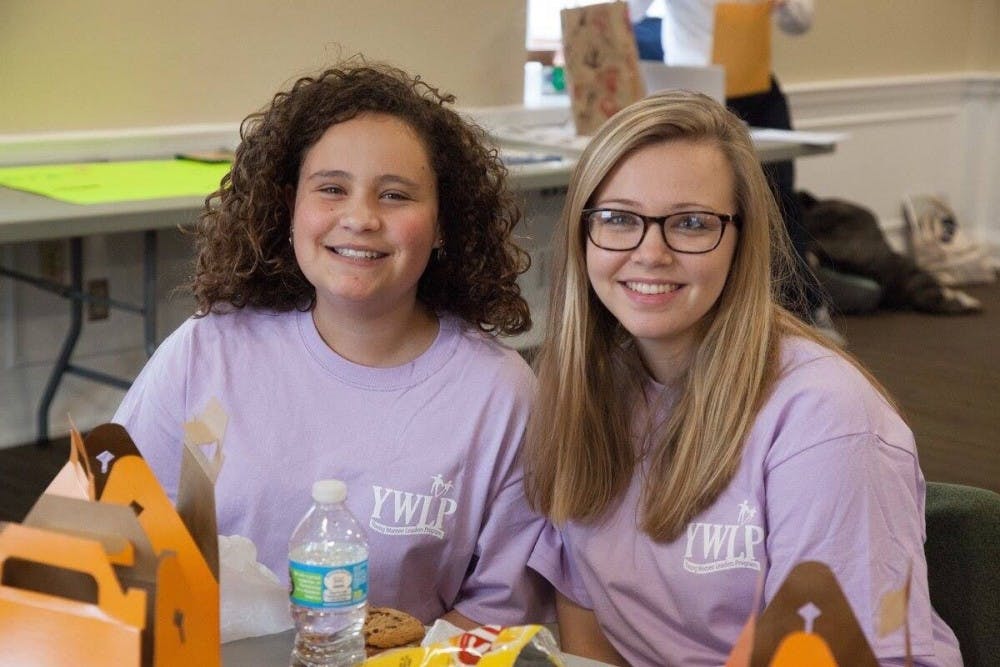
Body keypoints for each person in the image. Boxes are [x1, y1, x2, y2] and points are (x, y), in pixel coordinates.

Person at [523, 90, 961, 665]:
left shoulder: (825, 419)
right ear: (582, 237)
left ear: (742, 240)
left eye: (692, 223)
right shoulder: (586, 388)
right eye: (618, 219)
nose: (650, 252)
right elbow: (588, 628)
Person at [113, 61, 551, 628]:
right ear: (290, 207)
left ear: (445, 224)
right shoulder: (208, 352)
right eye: (332, 189)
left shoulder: (499, 393)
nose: (361, 217)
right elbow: (114, 535)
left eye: (395, 195)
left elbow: (499, 610)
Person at [628, 0, 840, 342]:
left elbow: (800, 22)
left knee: (781, 199)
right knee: (703, 205)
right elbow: (626, 13)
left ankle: (803, 313)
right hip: (697, 91)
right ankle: (717, 317)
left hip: (759, 91)